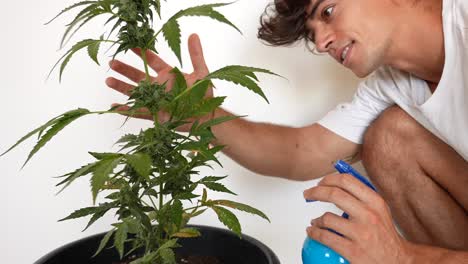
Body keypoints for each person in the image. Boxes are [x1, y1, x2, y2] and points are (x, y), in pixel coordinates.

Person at [105, 0, 468, 262]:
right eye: (313, 35)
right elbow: (298, 152)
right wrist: (201, 116)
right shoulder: (392, 85)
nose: (323, 42)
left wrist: (401, 258)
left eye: (328, 12)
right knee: (389, 139)